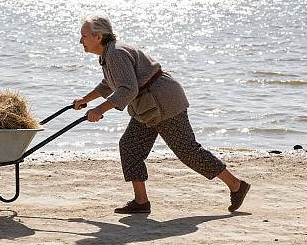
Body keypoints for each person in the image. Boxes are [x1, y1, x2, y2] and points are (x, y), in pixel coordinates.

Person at [73, 15, 250, 214]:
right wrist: (86, 100)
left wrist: (99, 110)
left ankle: (236, 185)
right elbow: (110, 84)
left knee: (188, 151)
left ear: (98, 37)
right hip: (148, 107)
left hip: (164, 100)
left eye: (84, 36)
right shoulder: (108, 55)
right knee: (130, 146)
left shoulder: (116, 54)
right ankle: (141, 202)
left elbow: (128, 89)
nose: (81, 41)